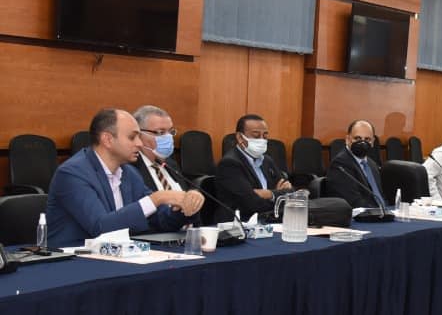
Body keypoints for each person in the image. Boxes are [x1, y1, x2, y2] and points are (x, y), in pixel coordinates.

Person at [46, 108, 202, 248]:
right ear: (107, 139)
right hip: (72, 261)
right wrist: (157, 199)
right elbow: (100, 227)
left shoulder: (129, 173)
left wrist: (185, 206)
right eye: (132, 137)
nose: (139, 143)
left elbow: (160, 221)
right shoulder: (72, 174)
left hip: (116, 257)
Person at [215, 114, 293, 220]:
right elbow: (251, 203)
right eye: (256, 136)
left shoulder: (267, 161)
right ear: (239, 137)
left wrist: (269, 194)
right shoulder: (229, 164)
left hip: (268, 220)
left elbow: (291, 192)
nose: (262, 140)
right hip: (239, 223)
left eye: (265, 136)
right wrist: (278, 196)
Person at [326, 119, 389, 211]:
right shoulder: (340, 164)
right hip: (364, 216)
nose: (362, 143)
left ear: (372, 142)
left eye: (367, 139)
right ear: (347, 140)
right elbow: (354, 202)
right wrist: (380, 212)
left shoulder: (372, 164)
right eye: (357, 138)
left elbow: (380, 195)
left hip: (383, 213)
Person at [130, 105, 188, 195]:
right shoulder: (129, 168)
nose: (168, 137)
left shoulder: (171, 164)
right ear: (139, 134)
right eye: (161, 132)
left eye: (171, 132)